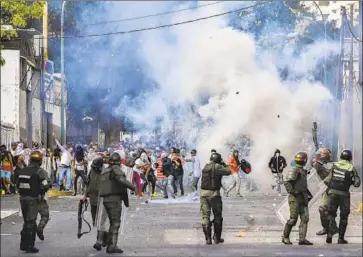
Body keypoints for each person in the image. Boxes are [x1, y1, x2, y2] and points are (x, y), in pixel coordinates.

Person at [98, 152, 136, 253]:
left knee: (112, 223)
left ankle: (109, 242)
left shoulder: (106, 170)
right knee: (115, 223)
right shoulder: (115, 168)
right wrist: (133, 186)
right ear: (118, 161)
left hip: (106, 200)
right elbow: (120, 179)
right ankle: (112, 246)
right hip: (114, 199)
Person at [15, 150, 51, 253]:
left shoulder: (23, 170)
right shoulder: (39, 171)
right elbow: (47, 183)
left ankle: (23, 244)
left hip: (22, 198)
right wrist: (42, 190)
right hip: (33, 199)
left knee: (26, 221)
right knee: (31, 222)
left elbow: (17, 185)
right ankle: (30, 245)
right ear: (40, 161)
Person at [323, 150, 361, 244]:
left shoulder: (334, 165)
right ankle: (340, 238)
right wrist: (350, 182)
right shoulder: (351, 168)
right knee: (344, 217)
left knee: (331, 214)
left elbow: (327, 180)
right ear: (350, 158)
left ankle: (329, 235)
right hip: (344, 195)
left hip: (332, 194)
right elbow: (357, 183)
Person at [282, 152, 313, 245]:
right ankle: (285, 237)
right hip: (295, 198)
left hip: (303, 197)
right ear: (305, 161)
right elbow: (287, 181)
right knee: (293, 219)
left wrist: (308, 194)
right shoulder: (295, 170)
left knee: (305, 218)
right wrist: (292, 191)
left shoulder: (302, 170)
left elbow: (302, 184)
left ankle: (302, 239)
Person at [200, 152, 231, 245]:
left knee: (206, 216)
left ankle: (208, 239)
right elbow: (229, 171)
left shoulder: (206, 166)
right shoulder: (217, 166)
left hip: (203, 194)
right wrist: (224, 163)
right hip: (214, 194)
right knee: (217, 216)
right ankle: (217, 238)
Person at [83, 157, 109, 250]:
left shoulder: (106, 172)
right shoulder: (92, 171)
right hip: (93, 199)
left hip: (102, 200)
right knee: (95, 221)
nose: (94, 168)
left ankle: (99, 241)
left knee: (100, 221)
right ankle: (106, 238)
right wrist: (85, 195)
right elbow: (88, 183)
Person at [314, 148, 337, 236]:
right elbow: (315, 173)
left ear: (328, 155)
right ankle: (330, 228)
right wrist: (316, 162)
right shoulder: (318, 163)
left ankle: (328, 228)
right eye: (321, 154)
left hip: (331, 189)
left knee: (325, 209)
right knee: (325, 210)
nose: (322, 155)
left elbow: (329, 172)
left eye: (324, 154)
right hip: (323, 189)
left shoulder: (333, 164)